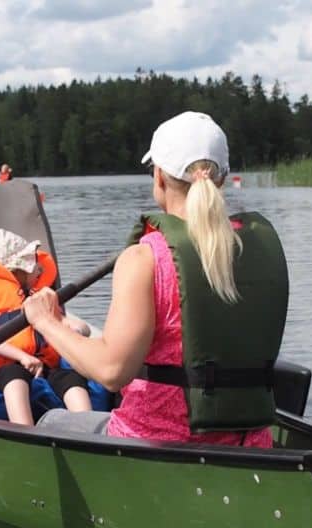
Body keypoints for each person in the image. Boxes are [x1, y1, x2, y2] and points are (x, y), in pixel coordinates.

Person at [22, 111, 289, 447]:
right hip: (250, 443)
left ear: (159, 177)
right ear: (221, 179)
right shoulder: (256, 247)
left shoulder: (145, 257)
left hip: (155, 441)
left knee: (50, 420)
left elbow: (112, 371)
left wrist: (47, 322)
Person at [0, 229, 92, 425]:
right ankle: (25, 431)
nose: (39, 269)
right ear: (16, 270)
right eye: (33, 264)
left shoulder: (39, 297)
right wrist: (21, 356)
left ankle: (87, 428)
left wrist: (79, 330)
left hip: (47, 365)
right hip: (6, 365)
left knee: (72, 380)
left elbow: (66, 324)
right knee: (14, 378)